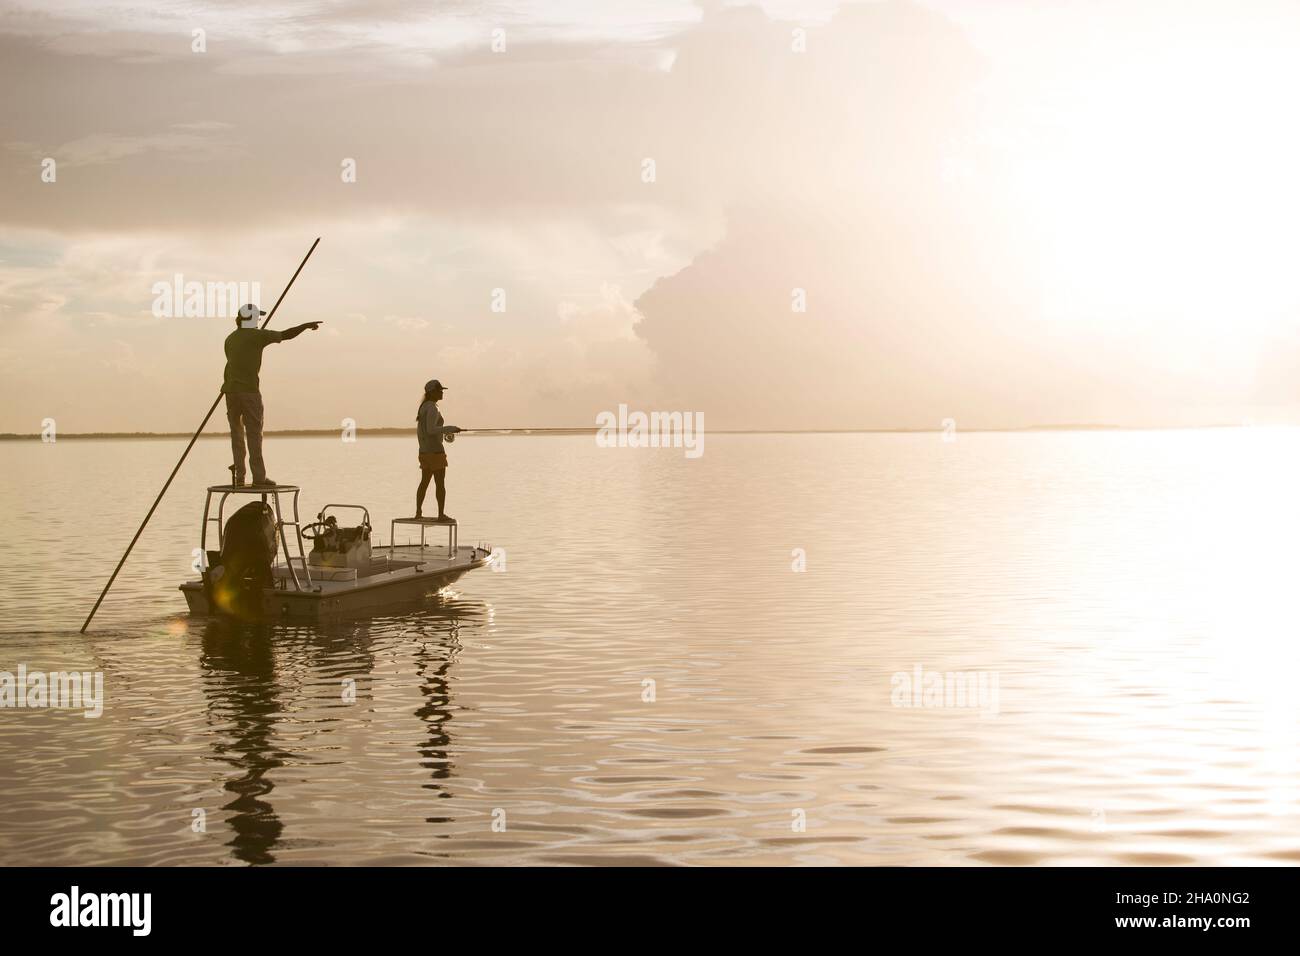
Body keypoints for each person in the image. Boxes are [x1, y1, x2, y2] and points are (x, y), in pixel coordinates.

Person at [223, 303, 321, 487]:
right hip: (249, 391)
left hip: (230, 391)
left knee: (236, 435)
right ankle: (259, 478)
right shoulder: (258, 336)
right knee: (254, 434)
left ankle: (240, 476)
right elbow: (286, 335)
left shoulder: (230, 339)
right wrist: (305, 326)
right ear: (251, 319)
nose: (259, 320)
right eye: (257, 318)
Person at [415, 379, 462, 519]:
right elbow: (431, 430)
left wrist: (445, 431)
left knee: (424, 483)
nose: (442, 392)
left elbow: (426, 431)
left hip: (424, 452)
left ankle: (418, 513)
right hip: (435, 452)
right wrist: (451, 428)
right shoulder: (432, 408)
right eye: (439, 390)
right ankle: (441, 514)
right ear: (432, 392)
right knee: (440, 484)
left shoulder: (423, 407)